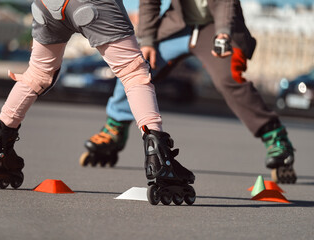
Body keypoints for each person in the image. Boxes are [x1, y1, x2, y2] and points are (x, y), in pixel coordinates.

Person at [0, 0, 196, 205]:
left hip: (46, 6)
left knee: (37, 74)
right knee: (133, 73)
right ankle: (160, 160)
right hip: (92, 5)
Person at [81, 0, 297, 184]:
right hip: (177, 27)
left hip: (218, 28)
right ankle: (115, 129)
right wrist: (147, 39)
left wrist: (223, 33)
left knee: (229, 78)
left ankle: (275, 136)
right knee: (135, 66)